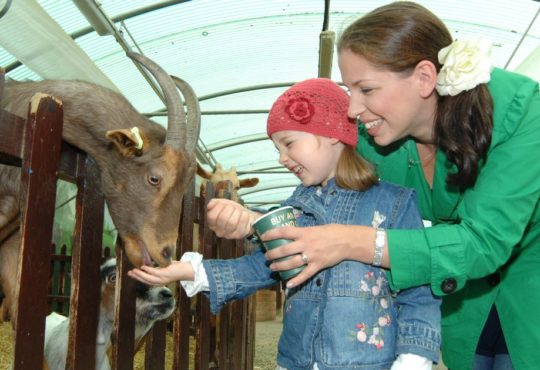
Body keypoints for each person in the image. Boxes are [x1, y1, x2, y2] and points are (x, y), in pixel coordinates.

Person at [245, 2, 540, 370]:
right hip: (465, 297)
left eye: (366, 88)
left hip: (530, 286)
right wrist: (250, 220)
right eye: (349, 89)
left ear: (424, 77)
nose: (352, 109)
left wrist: (354, 241)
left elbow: (484, 242)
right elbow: (324, 197)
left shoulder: (522, 112)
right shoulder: (374, 138)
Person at [129, 78, 441, 370]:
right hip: (296, 361)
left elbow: (420, 292)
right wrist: (189, 271)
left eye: (289, 143)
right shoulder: (294, 209)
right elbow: (259, 268)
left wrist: (413, 359)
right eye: (277, 148)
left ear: (333, 134)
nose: (281, 158)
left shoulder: (394, 204)